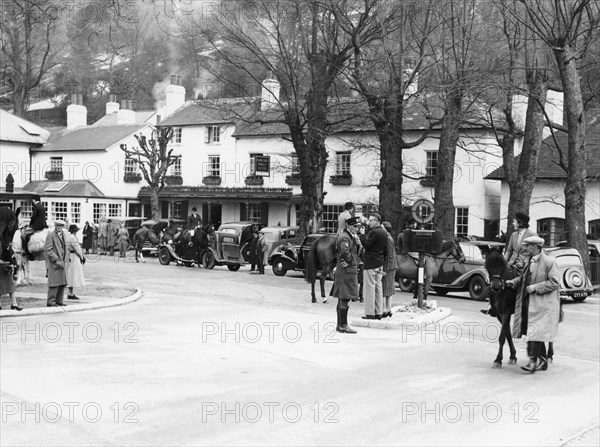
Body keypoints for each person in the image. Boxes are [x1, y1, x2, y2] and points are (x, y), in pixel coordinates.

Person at [506, 235, 561, 374]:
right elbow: (524, 278)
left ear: (537, 247)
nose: (525, 248)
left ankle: (532, 362)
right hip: (529, 303)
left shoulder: (549, 262)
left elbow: (555, 282)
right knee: (534, 331)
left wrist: (536, 287)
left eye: (528, 246)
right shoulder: (529, 260)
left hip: (544, 305)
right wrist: (514, 282)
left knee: (534, 332)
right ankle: (542, 359)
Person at [482, 211, 535, 315]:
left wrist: (524, 263)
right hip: (511, 264)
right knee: (497, 278)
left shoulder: (532, 235)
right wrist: (503, 264)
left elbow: (532, 252)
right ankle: (492, 305)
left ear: (520, 223)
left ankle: (523, 304)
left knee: (523, 282)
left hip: (525, 265)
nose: (513, 223)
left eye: (514, 221)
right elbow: (509, 251)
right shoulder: (514, 235)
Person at [331, 216, 362, 333]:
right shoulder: (345, 237)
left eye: (358, 227)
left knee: (343, 298)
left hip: (346, 271)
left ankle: (340, 325)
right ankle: (343, 325)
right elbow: (344, 251)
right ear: (348, 226)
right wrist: (348, 260)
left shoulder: (350, 236)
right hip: (346, 272)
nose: (356, 229)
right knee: (344, 297)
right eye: (354, 226)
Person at [359, 213, 388, 320]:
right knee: (378, 288)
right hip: (379, 263)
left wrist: (362, 235)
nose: (369, 222)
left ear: (376, 221)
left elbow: (367, 245)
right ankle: (379, 311)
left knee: (369, 288)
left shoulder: (374, 232)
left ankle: (370, 313)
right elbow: (386, 250)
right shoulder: (384, 233)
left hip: (370, 263)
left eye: (371, 220)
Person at [44, 220, 69, 307]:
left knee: (62, 283)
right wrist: (56, 259)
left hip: (63, 262)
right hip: (54, 263)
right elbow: (48, 250)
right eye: (57, 226)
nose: (59, 227)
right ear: (55, 226)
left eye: (61, 226)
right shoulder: (50, 236)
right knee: (54, 283)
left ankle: (59, 301)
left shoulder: (64, 235)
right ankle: (51, 302)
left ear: (63, 227)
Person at [22, 194, 47, 259]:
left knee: (23, 234)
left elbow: (33, 217)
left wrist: (30, 225)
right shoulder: (42, 206)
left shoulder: (36, 206)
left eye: (32, 200)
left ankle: (25, 250)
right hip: (43, 225)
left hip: (36, 226)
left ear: (34, 200)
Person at [381, 221, 398, 318]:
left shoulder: (388, 239)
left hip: (388, 266)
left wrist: (385, 268)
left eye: (382, 228)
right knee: (389, 288)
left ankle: (385, 309)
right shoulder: (388, 238)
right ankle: (388, 309)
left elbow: (390, 255)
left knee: (385, 288)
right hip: (391, 266)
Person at [65, 224, 86, 300]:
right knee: (73, 274)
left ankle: (70, 292)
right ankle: (70, 293)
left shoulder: (68, 237)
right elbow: (77, 249)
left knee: (70, 274)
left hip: (69, 256)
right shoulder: (73, 238)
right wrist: (82, 257)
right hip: (74, 256)